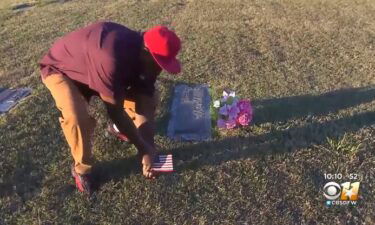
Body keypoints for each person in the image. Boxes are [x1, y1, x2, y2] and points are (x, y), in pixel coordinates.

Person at [39, 21, 182, 194]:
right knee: (76, 115)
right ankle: (82, 169)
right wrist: (143, 149)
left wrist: (148, 147)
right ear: (146, 51)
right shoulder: (111, 57)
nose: (160, 68)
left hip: (96, 69)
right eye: (159, 62)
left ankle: (119, 131)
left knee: (150, 98)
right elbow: (115, 111)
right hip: (63, 70)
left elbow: (145, 98)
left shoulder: (142, 56)